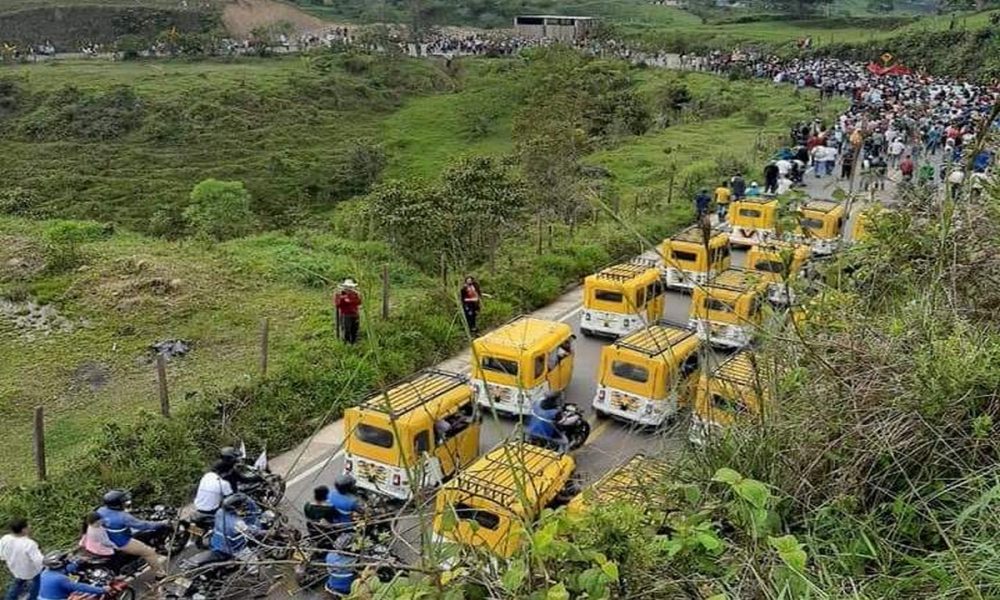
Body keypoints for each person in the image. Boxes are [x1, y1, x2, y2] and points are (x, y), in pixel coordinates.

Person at [96, 490, 167, 578]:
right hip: (121, 542)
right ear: (118, 504)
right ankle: (160, 574)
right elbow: (142, 525)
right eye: (123, 502)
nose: (125, 503)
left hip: (105, 538)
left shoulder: (101, 510)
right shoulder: (123, 517)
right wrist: (161, 523)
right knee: (149, 552)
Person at [1, 518, 43, 600]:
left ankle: (10, 598)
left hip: (14, 568)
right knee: (38, 583)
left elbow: (2, 555)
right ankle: (33, 598)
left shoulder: (5, 538)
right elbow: (39, 561)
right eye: (28, 525)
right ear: (23, 530)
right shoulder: (29, 544)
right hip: (31, 571)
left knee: (17, 583)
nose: (30, 526)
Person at [210, 493, 261, 561]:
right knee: (254, 561)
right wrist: (265, 532)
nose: (244, 506)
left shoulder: (219, 512)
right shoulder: (238, 523)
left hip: (216, 542)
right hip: (232, 548)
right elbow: (252, 532)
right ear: (234, 507)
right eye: (242, 505)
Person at [37, 552, 107, 600]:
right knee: (89, 596)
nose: (69, 561)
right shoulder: (60, 579)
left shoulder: (45, 572)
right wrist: (102, 590)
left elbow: (69, 568)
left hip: (42, 598)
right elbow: (80, 587)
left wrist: (78, 563)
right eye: (67, 561)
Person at [334, 279, 362, 344]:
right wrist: (343, 298)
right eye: (348, 287)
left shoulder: (355, 294)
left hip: (355, 314)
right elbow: (337, 304)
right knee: (346, 330)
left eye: (350, 287)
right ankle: (346, 343)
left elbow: (359, 302)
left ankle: (354, 342)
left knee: (355, 329)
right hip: (345, 315)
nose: (349, 289)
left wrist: (351, 299)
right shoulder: (340, 295)